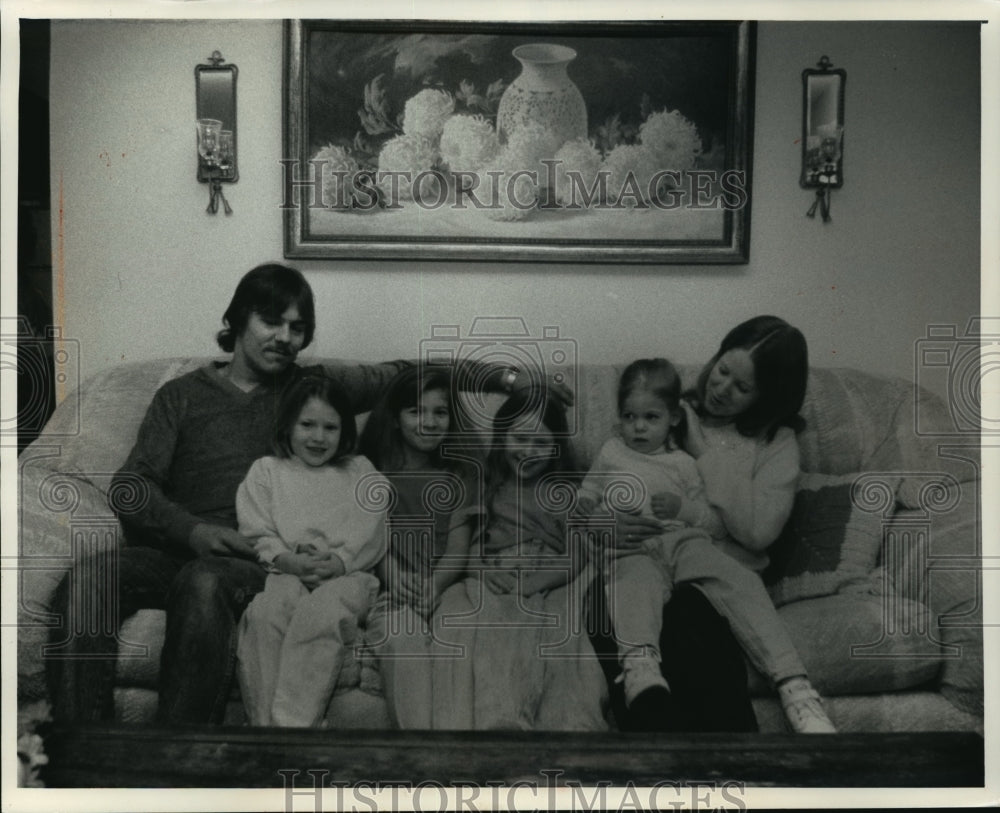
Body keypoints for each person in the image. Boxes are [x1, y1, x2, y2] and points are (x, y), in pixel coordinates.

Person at [45, 262, 552, 724]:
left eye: (298, 328)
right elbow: (131, 487)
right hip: (178, 546)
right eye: (272, 321)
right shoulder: (180, 396)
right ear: (239, 319)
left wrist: (505, 378)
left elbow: (406, 374)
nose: (285, 338)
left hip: (256, 557)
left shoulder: (309, 388)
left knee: (203, 583)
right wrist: (192, 530)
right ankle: (79, 751)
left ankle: (183, 760)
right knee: (91, 578)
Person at [579, 357, 835, 733]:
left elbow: (713, 520)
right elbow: (585, 492)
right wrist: (590, 516)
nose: (638, 427)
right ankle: (640, 668)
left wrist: (684, 508)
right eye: (629, 417)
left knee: (739, 583)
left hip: (683, 543)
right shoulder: (611, 452)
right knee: (631, 587)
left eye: (650, 418)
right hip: (632, 550)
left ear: (673, 419)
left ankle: (795, 686)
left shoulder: (689, 461)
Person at [448, 389, 607, 731]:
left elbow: (576, 555)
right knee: (503, 631)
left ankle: (572, 732)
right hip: (501, 569)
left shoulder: (568, 489)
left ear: (557, 446)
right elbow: (468, 548)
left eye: (540, 443)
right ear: (501, 435)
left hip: (558, 572)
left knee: (568, 641)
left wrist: (536, 583)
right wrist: (483, 571)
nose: (527, 452)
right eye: (519, 438)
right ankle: (504, 724)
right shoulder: (487, 481)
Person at [235, 374, 387, 727]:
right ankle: (264, 726)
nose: (318, 437)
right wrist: (284, 558)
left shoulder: (360, 471)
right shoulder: (267, 471)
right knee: (265, 613)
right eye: (307, 425)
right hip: (288, 570)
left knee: (321, 614)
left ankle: (294, 726)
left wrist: (340, 560)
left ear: (345, 430)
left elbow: (372, 530)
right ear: (288, 425)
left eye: (330, 428)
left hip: (349, 577)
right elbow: (257, 529)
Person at [359, 366, 481, 729]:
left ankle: (456, 749)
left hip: (447, 585)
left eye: (439, 412)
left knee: (458, 642)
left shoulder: (460, 475)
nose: (428, 421)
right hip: (391, 585)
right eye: (416, 411)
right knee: (405, 641)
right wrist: (396, 578)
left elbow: (459, 548)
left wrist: (436, 585)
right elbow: (371, 539)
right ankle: (420, 755)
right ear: (395, 419)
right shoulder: (371, 473)